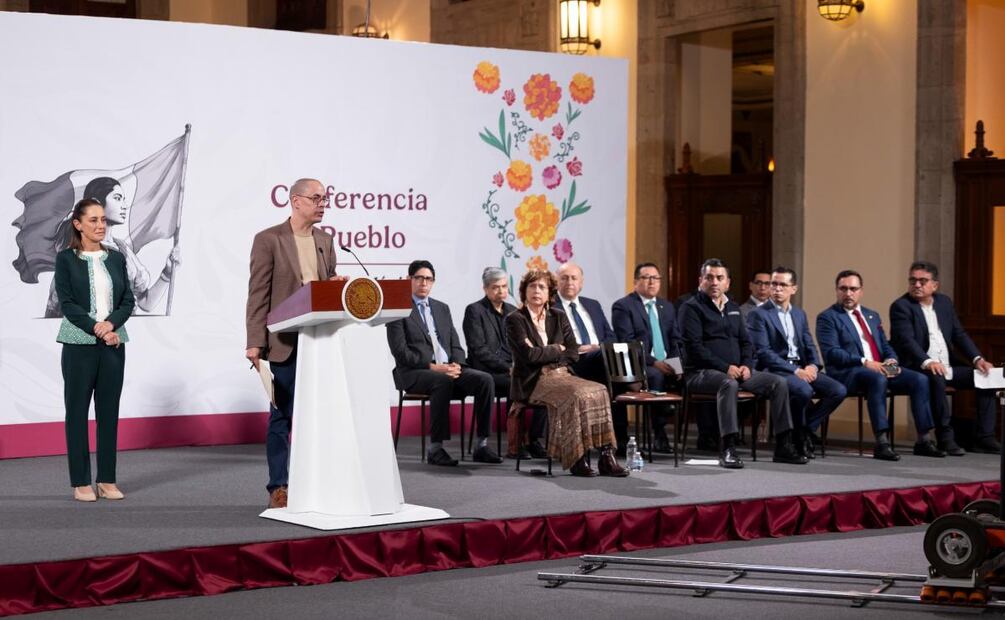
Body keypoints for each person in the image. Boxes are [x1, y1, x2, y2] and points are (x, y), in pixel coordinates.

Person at [246, 178, 341, 509]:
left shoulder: (326, 241)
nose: (322, 203)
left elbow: (325, 291)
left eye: (325, 198)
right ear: (296, 201)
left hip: (321, 340)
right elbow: (258, 294)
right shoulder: (268, 239)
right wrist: (255, 343)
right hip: (285, 341)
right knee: (282, 415)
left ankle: (319, 482)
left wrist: (335, 285)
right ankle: (279, 486)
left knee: (321, 415)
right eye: (316, 198)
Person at [678, 259, 804, 469]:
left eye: (720, 278)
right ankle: (728, 447)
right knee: (729, 384)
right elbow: (695, 349)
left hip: (737, 371)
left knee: (778, 382)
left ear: (728, 283)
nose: (714, 282)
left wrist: (746, 365)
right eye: (709, 277)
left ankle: (784, 445)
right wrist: (726, 367)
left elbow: (746, 342)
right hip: (700, 373)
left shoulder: (733, 308)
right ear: (701, 280)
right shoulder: (690, 308)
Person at [506, 270, 627, 477]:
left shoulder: (558, 316)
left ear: (549, 292)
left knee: (600, 390)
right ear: (524, 291)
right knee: (576, 395)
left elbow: (572, 351)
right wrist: (556, 349)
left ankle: (607, 456)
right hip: (533, 380)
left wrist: (553, 356)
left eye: (542, 287)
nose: (536, 291)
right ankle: (576, 458)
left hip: (561, 374)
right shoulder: (515, 319)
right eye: (532, 286)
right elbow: (529, 356)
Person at [54, 198, 134, 502]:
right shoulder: (65, 259)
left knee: (108, 413)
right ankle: (80, 481)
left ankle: (107, 479)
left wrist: (110, 325)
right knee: (76, 413)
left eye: (103, 220)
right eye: (93, 220)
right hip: (78, 345)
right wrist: (96, 328)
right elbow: (68, 304)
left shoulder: (116, 258)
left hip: (113, 344)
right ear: (78, 224)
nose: (101, 225)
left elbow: (128, 300)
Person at [816, 269, 943, 461]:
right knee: (877, 379)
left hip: (880, 367)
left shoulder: (871, 315)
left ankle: (924, 440)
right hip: (849, 372)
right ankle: (882, 442)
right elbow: (832, 352)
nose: (848, 293)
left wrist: (892, 360)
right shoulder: (828, 317)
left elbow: (885, 345)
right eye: (843, 289)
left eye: (853, 289)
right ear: (836, 290)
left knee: (919, 379)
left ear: (861, 291)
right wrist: (865, 362)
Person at [386, 260, 503, 467]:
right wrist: (432, 366)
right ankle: (436, 449)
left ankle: (482, 445)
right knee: (442, 380)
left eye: (428, 279)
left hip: (446, 368)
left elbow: (455, 344)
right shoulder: (398, 308)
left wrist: (458, 363)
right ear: (408, 280)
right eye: (419, 278)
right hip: (414, 372)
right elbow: (400, 352)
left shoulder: (441, 308)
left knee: (484, 380)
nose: (424, 283)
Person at [889, 261, 1001, 455]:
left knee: (988, 378)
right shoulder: (901, 306)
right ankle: (945, 437)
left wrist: (977, 359)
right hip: (919, 366)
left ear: (935, 285)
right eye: (913, 280)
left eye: (923, 281)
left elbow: (959, 334)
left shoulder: (944, 303)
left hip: (948, 365)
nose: (917, 285)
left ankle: (985, 438)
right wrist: (928, 362)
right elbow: (907, 341)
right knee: (936, 377)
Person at [747, 267, 846, 458]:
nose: (776, 289)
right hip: (776, 369)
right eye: (773, 284)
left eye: (782, 285)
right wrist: (795, 371)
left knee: (838, 390)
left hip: (801, 367)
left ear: (794, 289)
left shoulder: (799, 314)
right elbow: (764, 353)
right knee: (804, 390)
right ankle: (798, 438)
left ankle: (805, 429)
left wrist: (813, 365)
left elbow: (809, 344)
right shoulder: (758, 314)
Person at [45, 176, 180, 317]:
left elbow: (146, 303)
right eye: (117, 198)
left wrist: (168, 272)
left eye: (123, 199)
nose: (124, 205)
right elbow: (54, 310)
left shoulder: (123, 250)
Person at [462, 267, 545, 458]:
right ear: (485, 289)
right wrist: (508, 368)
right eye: (495, 287)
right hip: (487, 370)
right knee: (516, 384)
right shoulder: (475, 311)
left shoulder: (513, 311)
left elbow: (523, 344)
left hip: (512, 368)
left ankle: (533, 439)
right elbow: (478, 349)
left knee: (543, 381)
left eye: (504, 286)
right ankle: (513, 445)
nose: (501, 291)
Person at [611, 262, 683, 453]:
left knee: (687, 376)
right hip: (639, 364)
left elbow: (675, 340)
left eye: (656, 278)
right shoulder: (623, 306)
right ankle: (659, 433)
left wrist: (676, 364)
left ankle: (703, 434)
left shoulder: (666, 307)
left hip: (667, 362)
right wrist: (654, 363)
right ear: (636, 282)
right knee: (655, 376)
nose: (652, 282)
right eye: (646, 277)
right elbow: (627, 343)